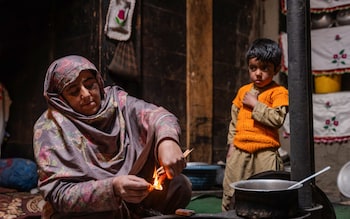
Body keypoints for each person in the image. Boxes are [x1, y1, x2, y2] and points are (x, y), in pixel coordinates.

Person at [33, 55, 192, 219]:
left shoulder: (117, 103)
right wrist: (112, 188)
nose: (86, 94)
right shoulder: (50, 128)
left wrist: (167, 141)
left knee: (179, 186)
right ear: (60, 98)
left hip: (133, 196)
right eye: (73, 91)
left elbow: (159, 116)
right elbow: (58, 194)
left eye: (90, 84)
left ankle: (135, 212)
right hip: (93, 204)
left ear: (98, 81)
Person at [221, 38, 289, 211]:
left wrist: (255, 104)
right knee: (231, 191)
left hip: (265, 153)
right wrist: (231, 146)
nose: (258, 73)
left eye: (264, 68)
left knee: (267, 195)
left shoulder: (279, 92)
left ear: (276, 69)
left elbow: (277, 119)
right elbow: (234, 120)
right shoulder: (243, 91)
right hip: (240, 151)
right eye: (253, 68)